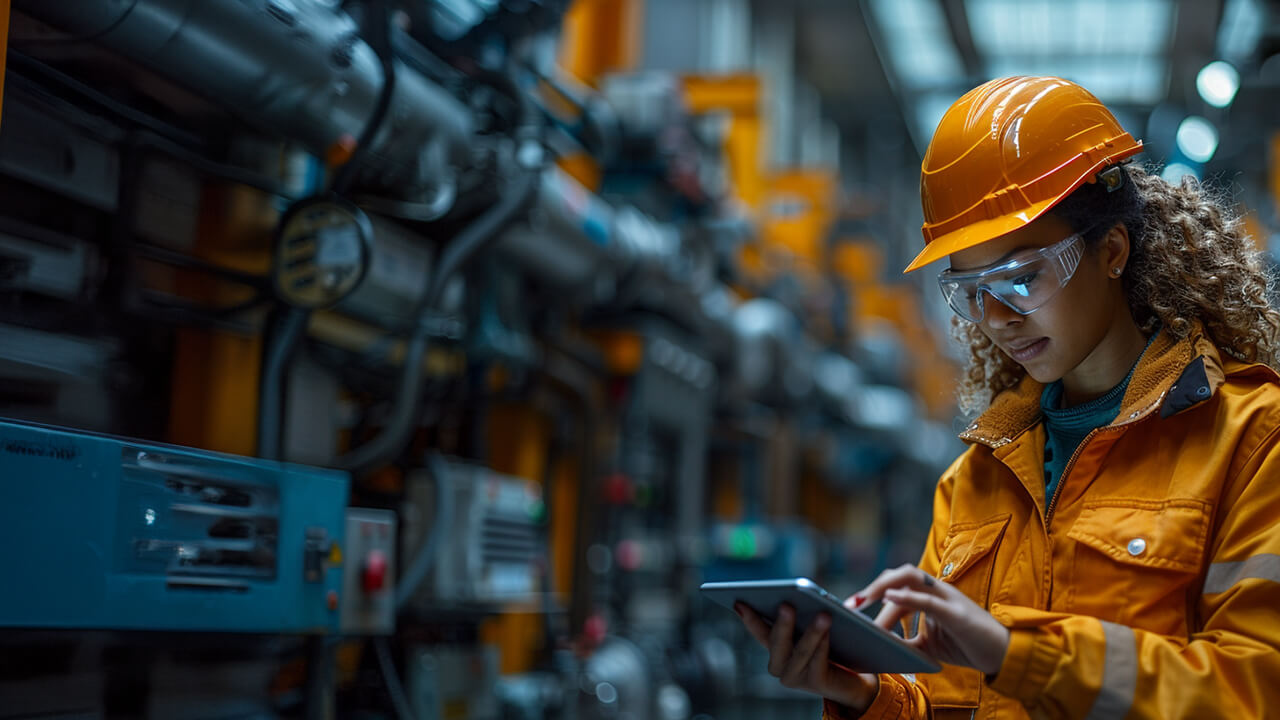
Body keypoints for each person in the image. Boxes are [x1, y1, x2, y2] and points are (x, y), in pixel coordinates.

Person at [735, 75, 1280, 719]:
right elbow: (946, 698)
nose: (995, 317)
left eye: (1021, 279)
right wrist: (868, 694)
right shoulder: (977, 479)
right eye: (971, 291)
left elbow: (1253, 689)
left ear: (1111, 250)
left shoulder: (1248, 438)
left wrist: (1017, 653)